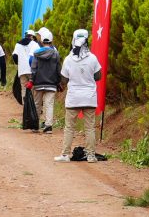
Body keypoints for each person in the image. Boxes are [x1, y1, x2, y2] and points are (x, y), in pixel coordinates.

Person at [55, 29, 103, 162]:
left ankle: (65, 155)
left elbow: (64, 80)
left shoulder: (69, 59)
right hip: (89, 97)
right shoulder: (93, 58)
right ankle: (91, 155)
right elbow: (98, 76)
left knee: (69, 127)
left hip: (73, 98)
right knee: (90, 128)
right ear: (87, 41)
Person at [29, 27, 60, 134]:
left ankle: (35, 125)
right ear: (51, 41)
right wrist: (58, 82)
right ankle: (48, 126)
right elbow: (58, 69)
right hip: (51, 83)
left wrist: (31, 80)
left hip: (38, 83)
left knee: (37, 104)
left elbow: (34, 68)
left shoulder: (36, 53)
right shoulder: (56, 54)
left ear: (42, 41)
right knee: (49, 104)